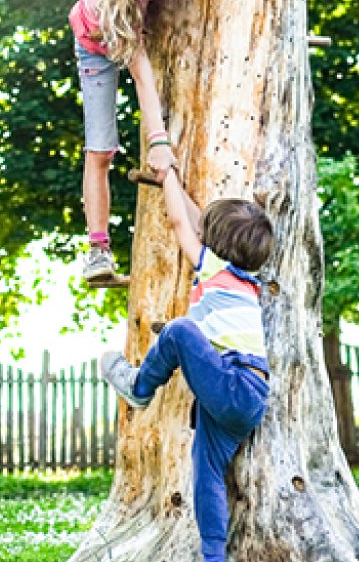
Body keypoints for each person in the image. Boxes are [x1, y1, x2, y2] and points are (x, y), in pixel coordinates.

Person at [99, 165, 274, 562]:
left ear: (216, 247)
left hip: (230, 382)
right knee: (207, 475)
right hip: (247, 396)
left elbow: (182, 222)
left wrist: (166, 178)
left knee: (178, 331)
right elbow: (201, 223)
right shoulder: (245, 278)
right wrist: (178, 185)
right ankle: (214, 557)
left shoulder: (214, 270)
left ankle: (139, 385)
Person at [72, 0, 192, 284]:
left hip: (128, 31)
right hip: (95, 44)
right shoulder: (113, 0)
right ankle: (98, 250)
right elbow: (141, 75)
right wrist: (158, 141)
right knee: (100, 149)